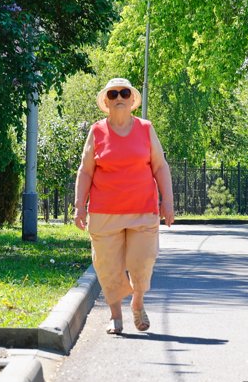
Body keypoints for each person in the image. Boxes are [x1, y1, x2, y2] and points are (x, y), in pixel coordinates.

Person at [73, 78, 174, 335]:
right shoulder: (96, 132)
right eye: (113, 93)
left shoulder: (145, 128)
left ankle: (138, 302)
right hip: (104, 212)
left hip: (143, 210)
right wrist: (79, 206)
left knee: (142, 261)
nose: (119, 96)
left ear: (132, 100)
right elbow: (85, 171)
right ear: (106, 102)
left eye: (124, 93)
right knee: (108, 266)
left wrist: (168, 202)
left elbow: (160, 166)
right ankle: (115, 315)